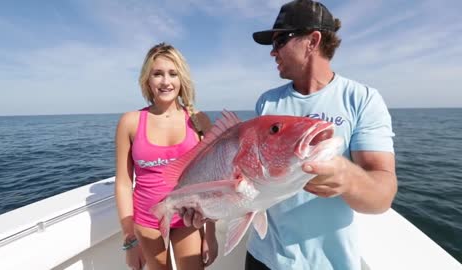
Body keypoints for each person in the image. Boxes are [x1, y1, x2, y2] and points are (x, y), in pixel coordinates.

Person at [183, 1, 398, 269]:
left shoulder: (362, 100)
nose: (273, 52)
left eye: (281, 40)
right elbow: (251, 184)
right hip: (264, 258)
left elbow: (383, 196)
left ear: (312, 40)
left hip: (331, 263)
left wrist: (347, 178)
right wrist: (210, 208)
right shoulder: (268, 103)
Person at [115, 42, 218, 270]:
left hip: (188, 218)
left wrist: (210, 234)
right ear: (147, 80)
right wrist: (130, 238)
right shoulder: (130, 122)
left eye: (173, 74)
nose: (165, 81)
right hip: (146, 220)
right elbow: (123, 183)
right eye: (157, 74)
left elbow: (211, 182)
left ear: (182, 79)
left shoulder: (199, 121)